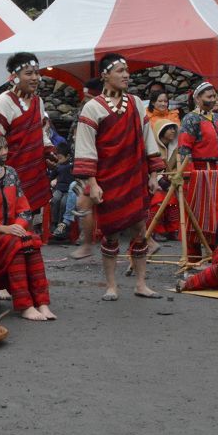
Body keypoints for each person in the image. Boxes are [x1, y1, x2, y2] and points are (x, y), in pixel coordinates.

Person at [72, 53, 164, 301]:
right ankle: (111, 285)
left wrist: (153, 173)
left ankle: (141, 283)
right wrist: (92, 183)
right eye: (120, 71)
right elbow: (86, 147)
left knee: (140, 230)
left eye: (127, 71)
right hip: (108, 180)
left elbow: (148, 138)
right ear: (105, 75)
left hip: (135, 176)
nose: (126, 75)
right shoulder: (93, 107)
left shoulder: (136, 102)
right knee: (110, 232)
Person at [0, 129, 55, 320]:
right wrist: (4, 229)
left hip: (14, 234)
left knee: (32, 241)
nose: (4, 151)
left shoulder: (11, 174)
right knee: (18, 244)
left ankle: (42, 302)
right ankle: (25, 305)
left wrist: (19, 227)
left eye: (5, 147)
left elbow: (24, 209)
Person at [0, 52, 55, 213]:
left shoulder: (38, 101)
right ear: (14, 77)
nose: (35, 78)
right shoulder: (3, 102)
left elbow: (41, 132)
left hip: (35, 171)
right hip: (11, 173)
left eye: (37, 73)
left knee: (33, 219)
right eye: (29, 73)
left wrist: (49, 151)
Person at [177, 82, 218, 258]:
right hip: (200, 171)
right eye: (208, 96)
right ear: (197, 99)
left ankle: (215, 253)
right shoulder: (190, 119)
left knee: (217, 211)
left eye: (214, 96)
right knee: (197, 211)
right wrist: (189, 173)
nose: (213, 99)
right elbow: (184, 148)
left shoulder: (216, 118)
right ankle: (193, 256)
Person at [68, 78, 103, 260]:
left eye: (89, 97)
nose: (85, 100)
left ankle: (88, 244)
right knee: (83, 203)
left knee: (119, 204)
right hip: (86, 164)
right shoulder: (84, 111)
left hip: (101, 165)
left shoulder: (103, 111)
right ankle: (87, 244)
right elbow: (73, 137)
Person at [149, 120, 180, 242]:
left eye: (174, 128)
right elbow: (148, 168)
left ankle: (173, 229)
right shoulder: (152, 149)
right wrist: (160, 180)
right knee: (158, 200)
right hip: (152, 182)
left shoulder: (176, 148)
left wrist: (172, 178)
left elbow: (177, 167)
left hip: (171, 182)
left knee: (175, 201)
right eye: (169, 128)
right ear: (161, 131)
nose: (173, 131)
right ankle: (156, 230)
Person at [50, 142, 74, 232]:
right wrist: (52, 181)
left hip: (68, 191)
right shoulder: (58, 166)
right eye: (58, 157)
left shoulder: (72, 166)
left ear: (67, 156)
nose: (58, 160)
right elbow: (52, 176)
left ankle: (62, 225)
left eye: (60, 158)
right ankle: (54, 222)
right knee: (55, 199)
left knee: (64, 203)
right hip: (59, 189)